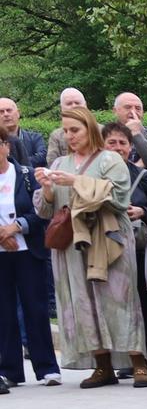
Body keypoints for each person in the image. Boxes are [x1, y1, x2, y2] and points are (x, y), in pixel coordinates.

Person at [34, 105, 145, 387]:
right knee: (82, 301)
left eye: (75, 130)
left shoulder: (110, 159)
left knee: (119, 298)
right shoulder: (59, 164)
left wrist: (76, 181)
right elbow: (46, 211)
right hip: (72, 243)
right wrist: (47, 188)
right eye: (66, 131)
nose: (70, 136)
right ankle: (102, 365)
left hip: (108, 238)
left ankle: (138, 362)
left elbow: (118, 197)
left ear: (90, 129)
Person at [102, 123, 147, 378]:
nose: (118, 148)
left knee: (145, 303)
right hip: (105, 249)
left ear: (130, 147)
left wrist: (143, 212)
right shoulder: (95, 175)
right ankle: (125, 358)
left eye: (123, 143)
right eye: (112, 142)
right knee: (114, 305)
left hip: (138, 249)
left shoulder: (144, 176)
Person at [0, 131, 60, 388]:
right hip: (1, 254)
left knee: (36, 308)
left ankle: (47, 368)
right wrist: (2, 235)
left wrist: (17, 227)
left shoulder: (26, 175)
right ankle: (9, 370)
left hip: (29, 251)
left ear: (6, 146)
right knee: (4, 312)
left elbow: (42, 212)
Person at [113, 92, 147, 174]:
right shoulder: (103, 135)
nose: (133, 112)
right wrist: (139, 165)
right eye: (128, 107)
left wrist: (136, 134)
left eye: (138, 108)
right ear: (115, 111)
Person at [0, 97, 48, 167]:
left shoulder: (35, 138)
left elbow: (42, 158)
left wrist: (16, 163)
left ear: (18, 113)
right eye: (1, 112)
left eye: (9, 110)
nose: (6, 114)